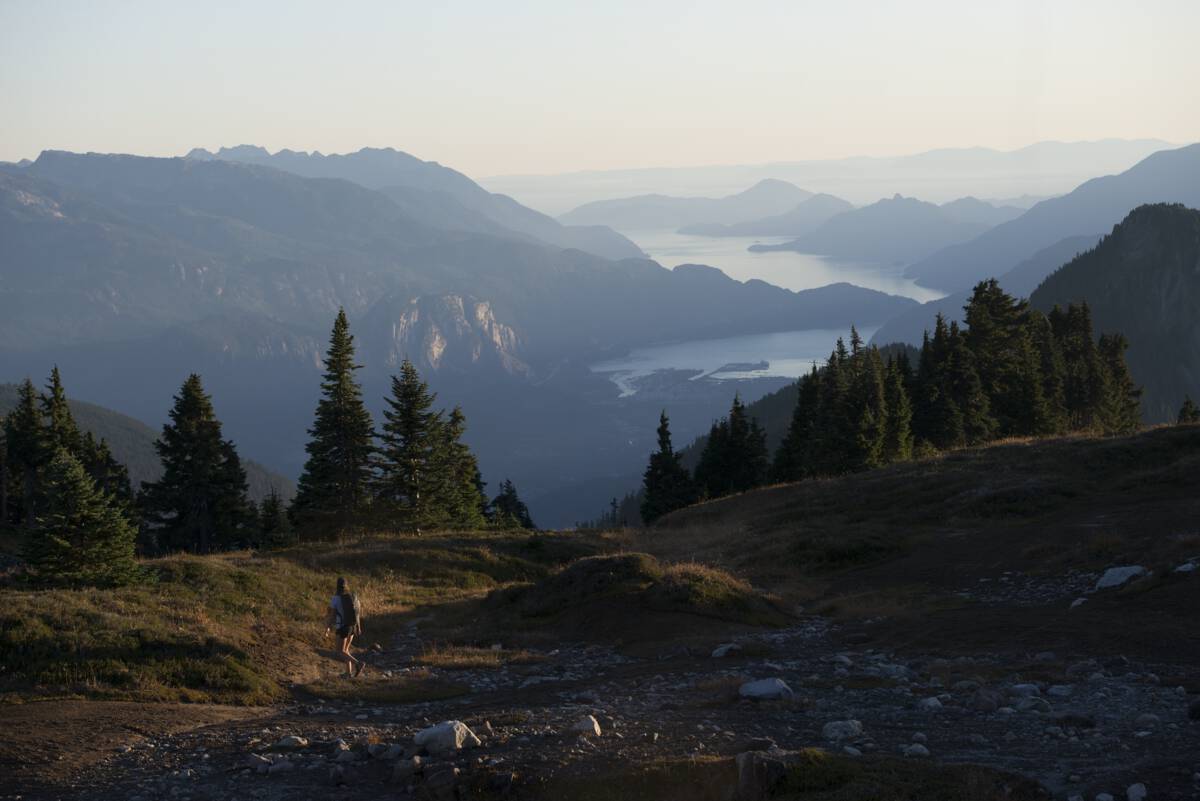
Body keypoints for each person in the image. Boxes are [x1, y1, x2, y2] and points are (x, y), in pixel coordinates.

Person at [325, 576, 365, 677]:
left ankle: (358, 664)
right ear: (346, 585)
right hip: (352, 626)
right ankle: (348, 673)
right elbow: (357, 613)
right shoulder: (353, 597)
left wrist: (328, 628)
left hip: (342, 627)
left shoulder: (336, 599)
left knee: (340, 651)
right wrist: (358, 627)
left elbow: (332, 615)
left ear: (337, 586)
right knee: (346, 650)